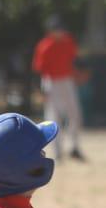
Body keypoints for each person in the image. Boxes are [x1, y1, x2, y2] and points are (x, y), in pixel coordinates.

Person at [31, 19, 86, 161]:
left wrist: (81, 72)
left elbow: (75, 60)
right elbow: (39, 70)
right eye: (57, 29)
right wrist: (41, 90)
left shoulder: (68, 42)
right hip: (51, 82)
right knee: (54, 118)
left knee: (75, 114)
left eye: (61, 29)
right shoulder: (45, 46)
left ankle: (74, 147)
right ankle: (57, 153)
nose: (60, 32)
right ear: (50, 31)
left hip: (67, 81)